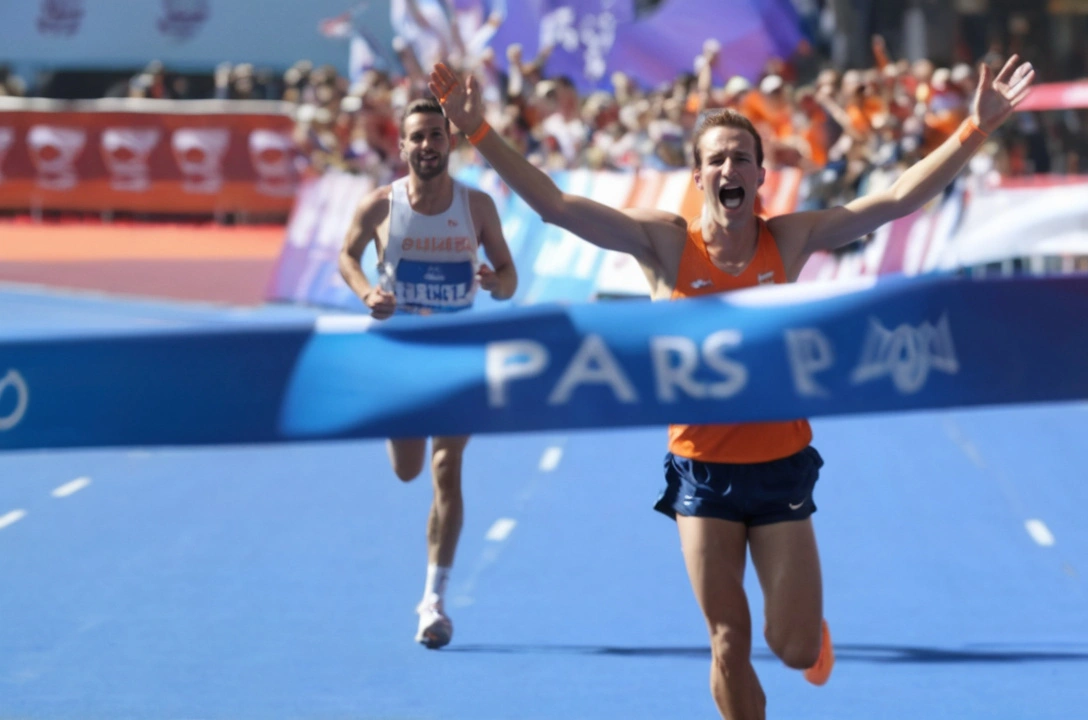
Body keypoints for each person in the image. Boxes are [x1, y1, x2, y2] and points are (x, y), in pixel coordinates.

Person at [429, 55, 1033, 716]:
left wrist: (973, 131)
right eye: (715, 159)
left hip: (781, 470)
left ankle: (809, 633)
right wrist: (478, 131)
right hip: (702, 473)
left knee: (795, 648)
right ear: (697, 176)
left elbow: (891, 202)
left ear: (760, 176)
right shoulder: (664, 245)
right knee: (726, 640)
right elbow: (556, 206)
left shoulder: (789, 240)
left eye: (741, 159)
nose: (728, 170)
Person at [338, 96, 518, 649]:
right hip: (399, 355)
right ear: (402, 146)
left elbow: (510, 277)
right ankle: (431, 592)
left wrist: (495, 284)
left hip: (455, 355)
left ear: (451, 143)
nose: (426, 146)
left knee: (447, 467)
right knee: (408, 470)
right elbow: (346, 256)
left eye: (435, 136)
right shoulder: (379, 206)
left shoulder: (478, 207)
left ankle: (433, 601)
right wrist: (369, 290)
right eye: (416, 137)